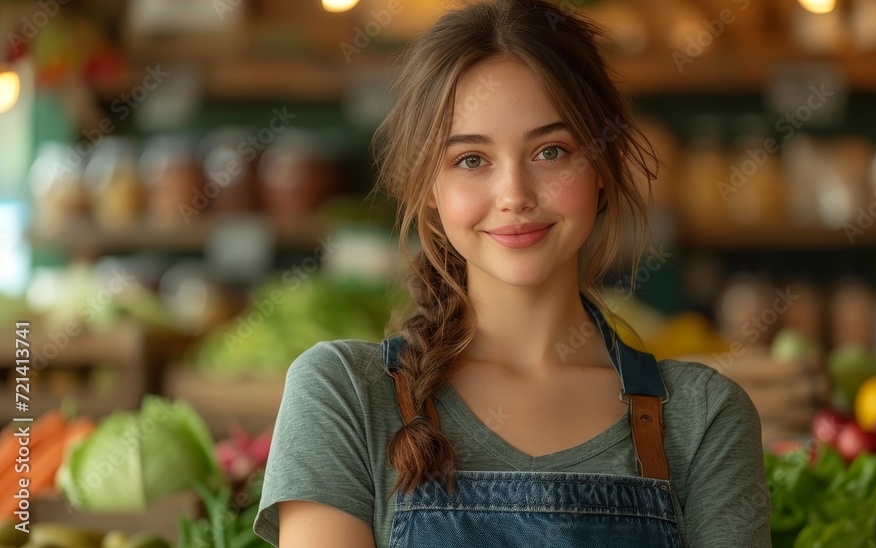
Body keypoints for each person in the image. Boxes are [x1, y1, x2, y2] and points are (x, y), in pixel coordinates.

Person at [253, 0, 771, 546]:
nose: (515, 196)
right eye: (471, 160)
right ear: (429, 188)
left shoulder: (704, 418)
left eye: (550, 151)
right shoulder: (344, 396)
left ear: (602, 165)